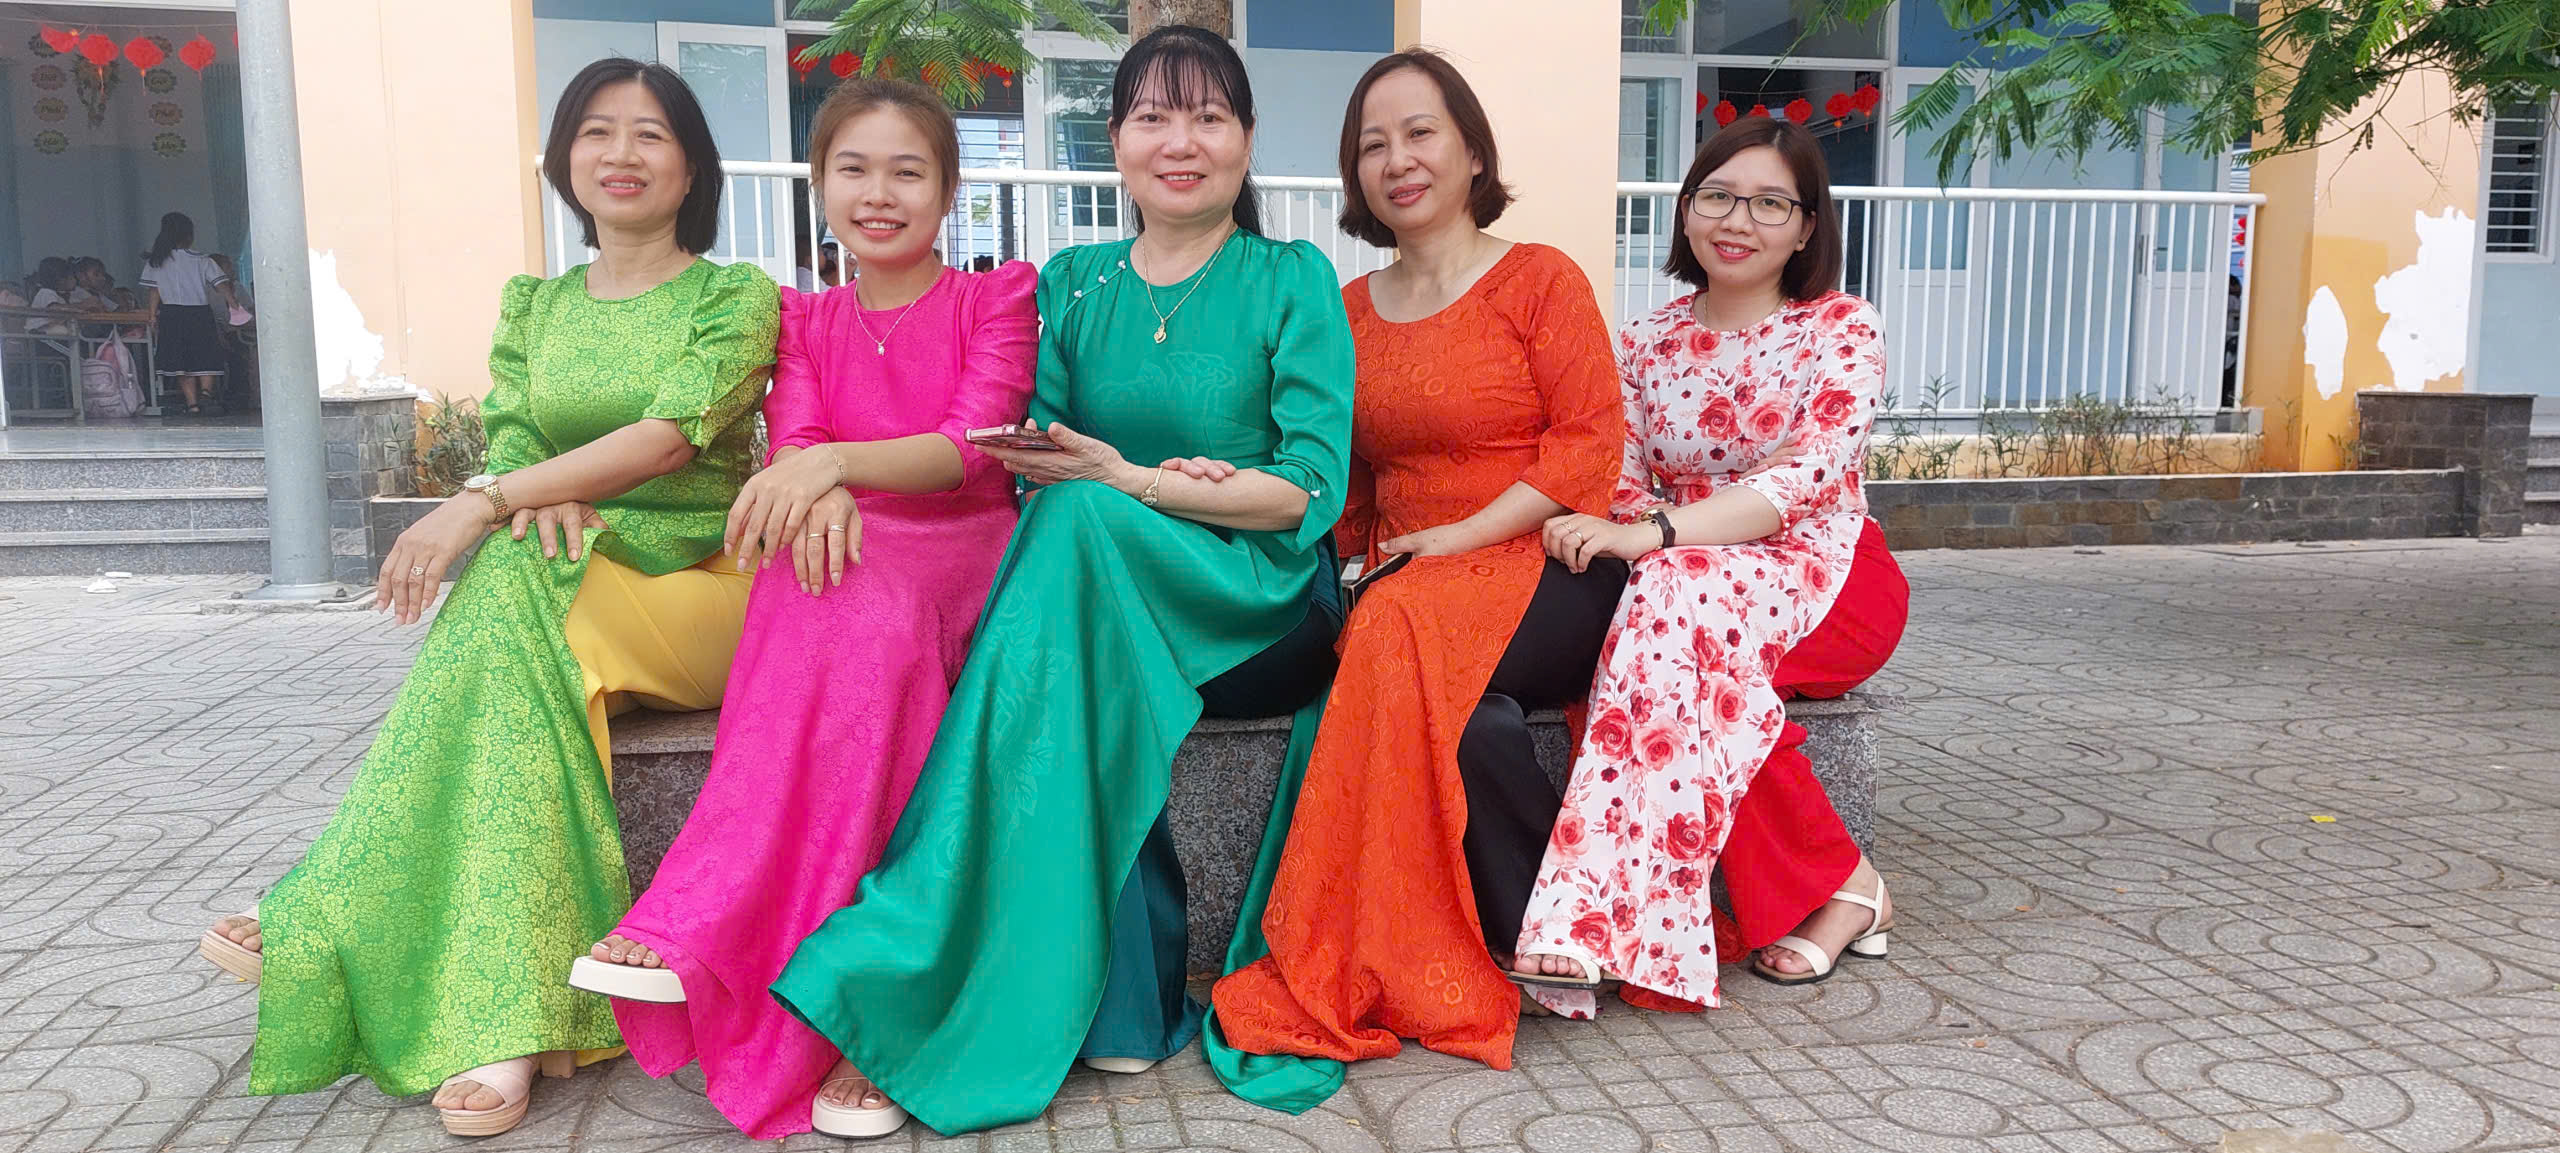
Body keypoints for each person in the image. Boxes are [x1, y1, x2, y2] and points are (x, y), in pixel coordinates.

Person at [767, 25, 1355, 1136]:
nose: (1179, 143)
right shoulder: (1076, 284)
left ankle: (905, 983)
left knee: (1081, 530)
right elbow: (1026, 460)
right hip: (1108, 599)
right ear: (1116, 139)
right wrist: (1095, 484)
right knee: (1072, 588)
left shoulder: (1292, 278)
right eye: (1151, 117)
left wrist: (1141, 484)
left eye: (1208, 118)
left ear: (1245, 139)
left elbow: (1307, 491)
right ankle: (1126, 1004)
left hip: (1259, 599)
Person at [192, 57, 778, 1137]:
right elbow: (511, 443)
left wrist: (490, 501)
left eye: (650, 134)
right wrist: (520, 497)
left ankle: (334, 902)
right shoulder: (534, 306)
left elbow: (665, 439)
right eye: (596, 132)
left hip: (700, 587)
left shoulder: (731, 296)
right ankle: (509, 1017)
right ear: (563, 159)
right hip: (563, 578)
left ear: (692, 164)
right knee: (514, 650)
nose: (620, 154)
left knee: (507, 579)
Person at [565, 76, 1039, 1142]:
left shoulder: (995, 299)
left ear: (948, 191)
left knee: (869, 616)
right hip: (841, 545)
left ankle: (706, 923)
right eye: (852, 170)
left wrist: (828, 470)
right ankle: (792, 975)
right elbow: (796, 441)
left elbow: (972, 448)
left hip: (955, 550)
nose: (879, 194)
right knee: (807, 584)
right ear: (820, 186)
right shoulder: (804, 317)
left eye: (907, 172)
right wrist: (815, 478)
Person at [1206, 50, 1623, 1106]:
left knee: (1395, 627)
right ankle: (1544, 924)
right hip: (1403, 579)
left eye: (1421, 132)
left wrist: (1456, 538)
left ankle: (1352, 948)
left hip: (1549, 566)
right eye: (1372, 143)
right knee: (1469, 720)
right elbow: (1337, 478)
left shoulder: (1541, 279)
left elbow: (1587, 449)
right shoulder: (1344, 312)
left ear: (1472, 149)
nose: (1398, 159)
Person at [1509, 116, 1897, 1015]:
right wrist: (1647, 534)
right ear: (1685, 211)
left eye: (1770, 204)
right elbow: (1619, 477)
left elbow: (1806, 477)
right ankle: (1849, 883)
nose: (1738, 220)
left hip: (1829, 576)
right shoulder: (1642, 342)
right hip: (1682, 585)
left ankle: (1586, 920)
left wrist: (1661, 533)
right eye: (1718, 196)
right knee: (1681, 635)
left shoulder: (1840, 327)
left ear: (1807, 226)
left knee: (1665, 599)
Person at [139, 213, 233, 414]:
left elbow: (154, 291)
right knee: (205, 355)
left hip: (171, 314)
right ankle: (206, 393)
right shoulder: (202, 260)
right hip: (199, 313)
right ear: (189, 235)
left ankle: (192, 405)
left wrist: (152, 315)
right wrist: (234, 303)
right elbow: (221, 284)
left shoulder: (156, 261)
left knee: (180, 361)